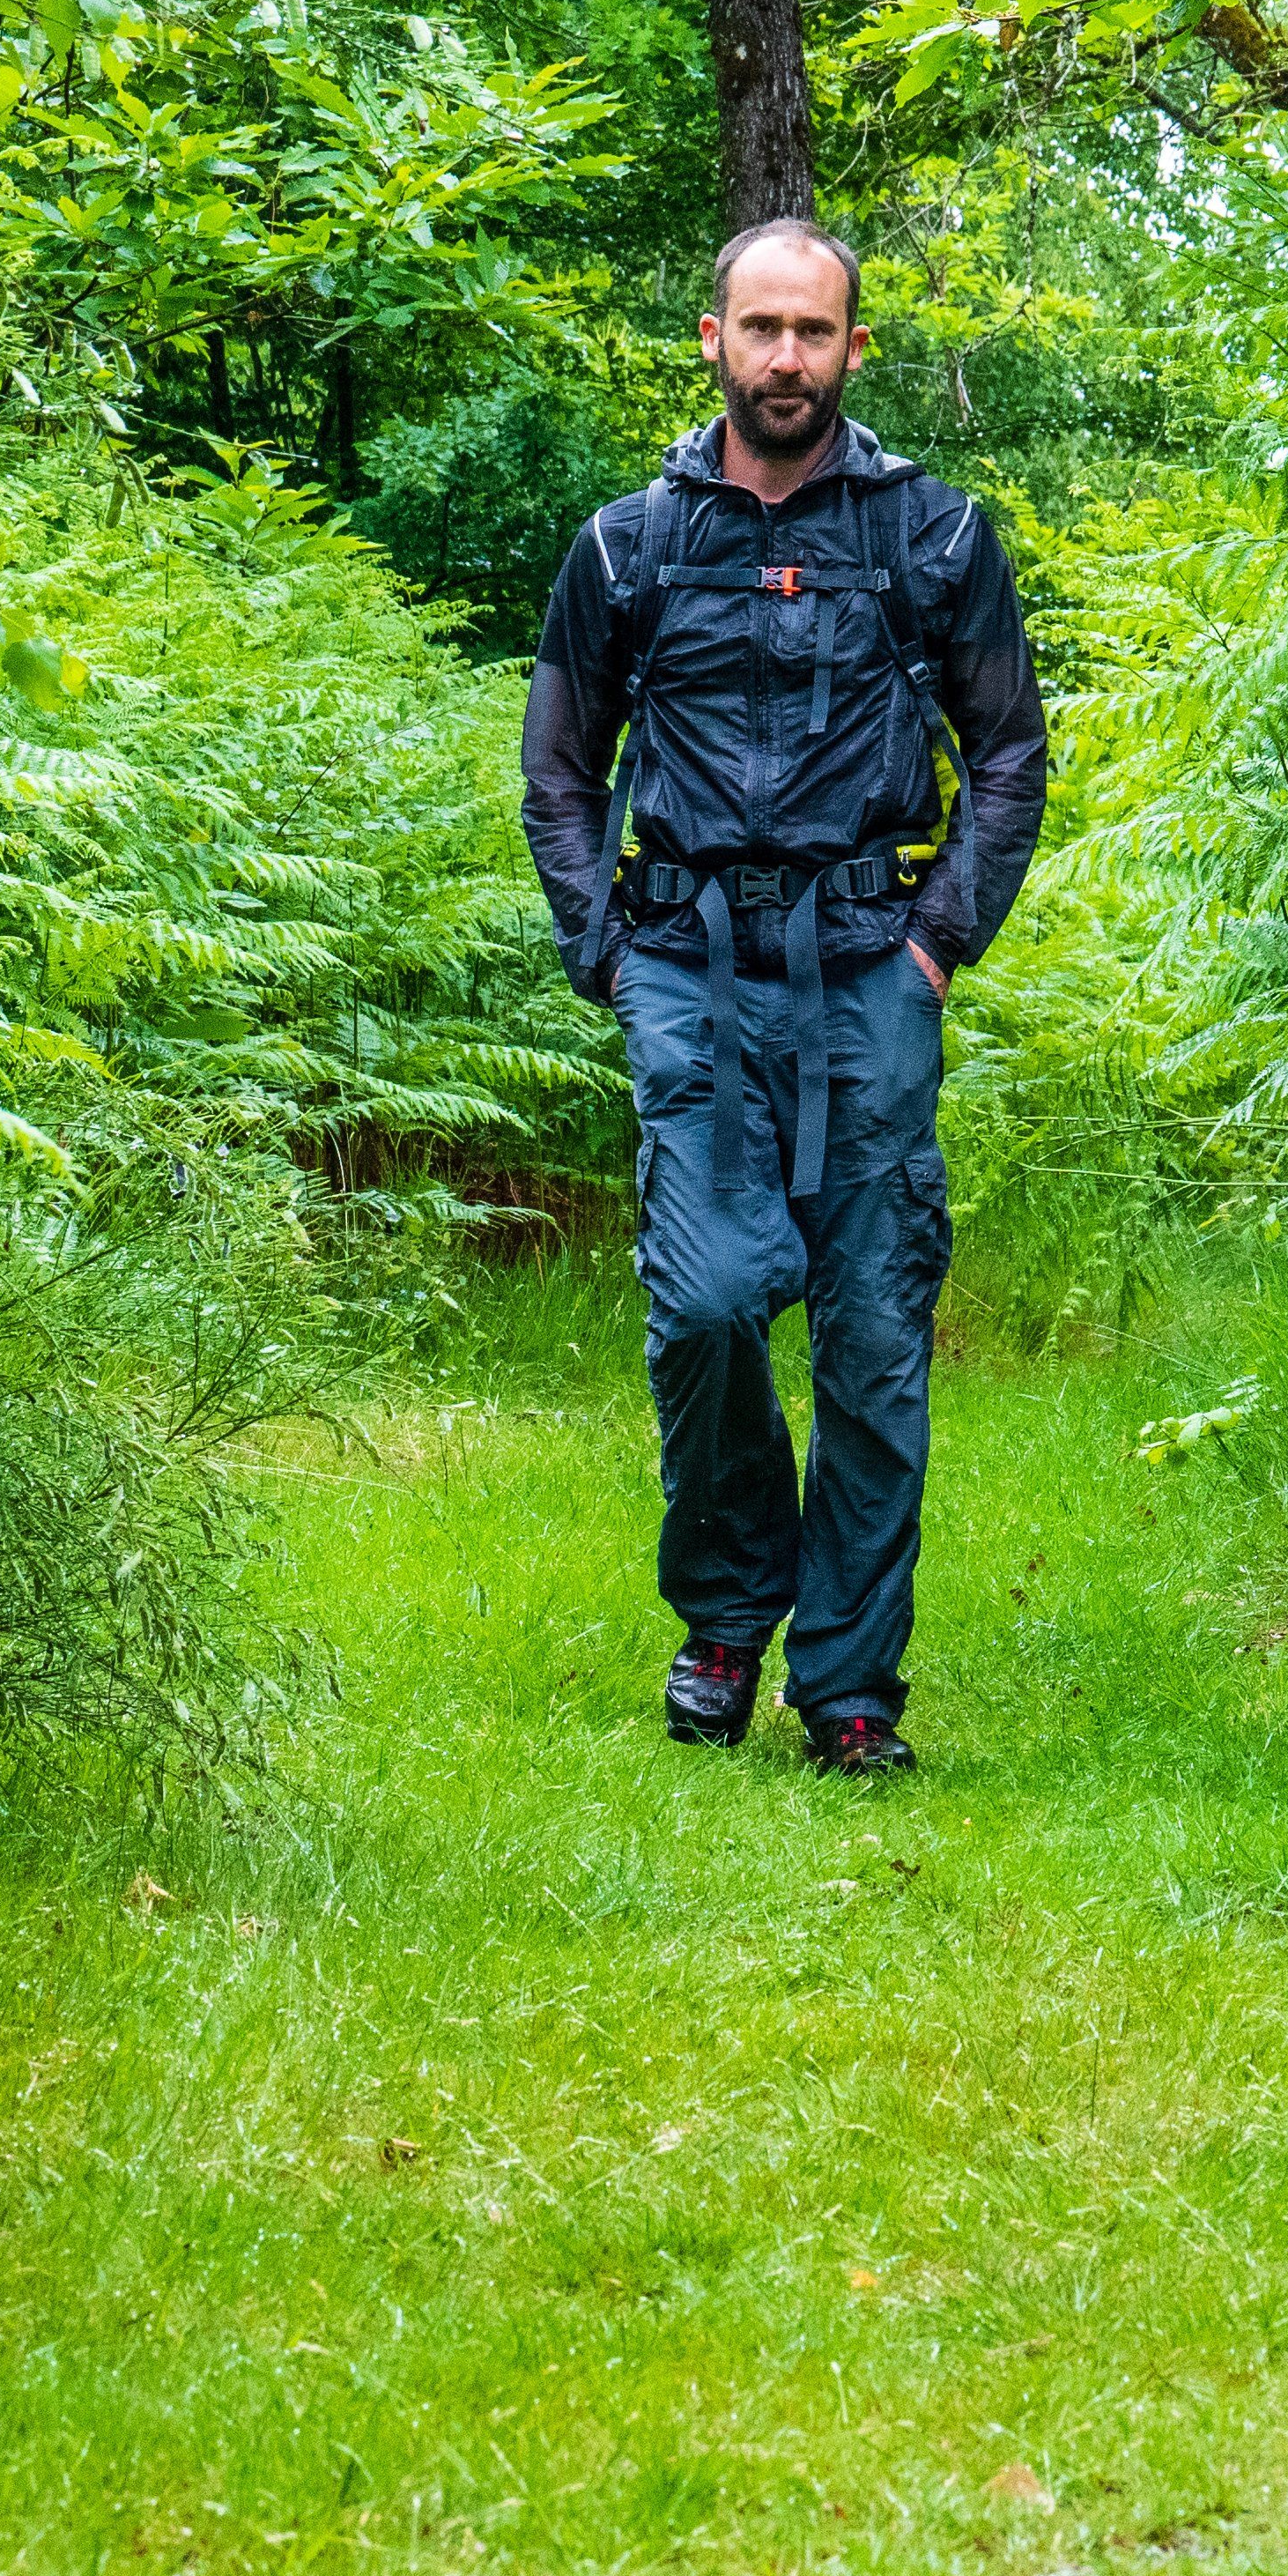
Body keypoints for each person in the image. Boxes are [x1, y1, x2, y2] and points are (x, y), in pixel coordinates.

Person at [517, 218, 1052, 1771]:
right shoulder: (629, 546)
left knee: (875, 1338)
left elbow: (1007, 752)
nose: (787, 360)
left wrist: (942, 935)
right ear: (712, 340)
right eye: (761, 329)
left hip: (868, 971)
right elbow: (560, 766)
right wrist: (603, 950)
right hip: (684, 969)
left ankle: (850, 1685)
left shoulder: (934, 539)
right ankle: (731, 1607)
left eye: (815, 333)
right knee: (703, 1309)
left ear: (854, 351)